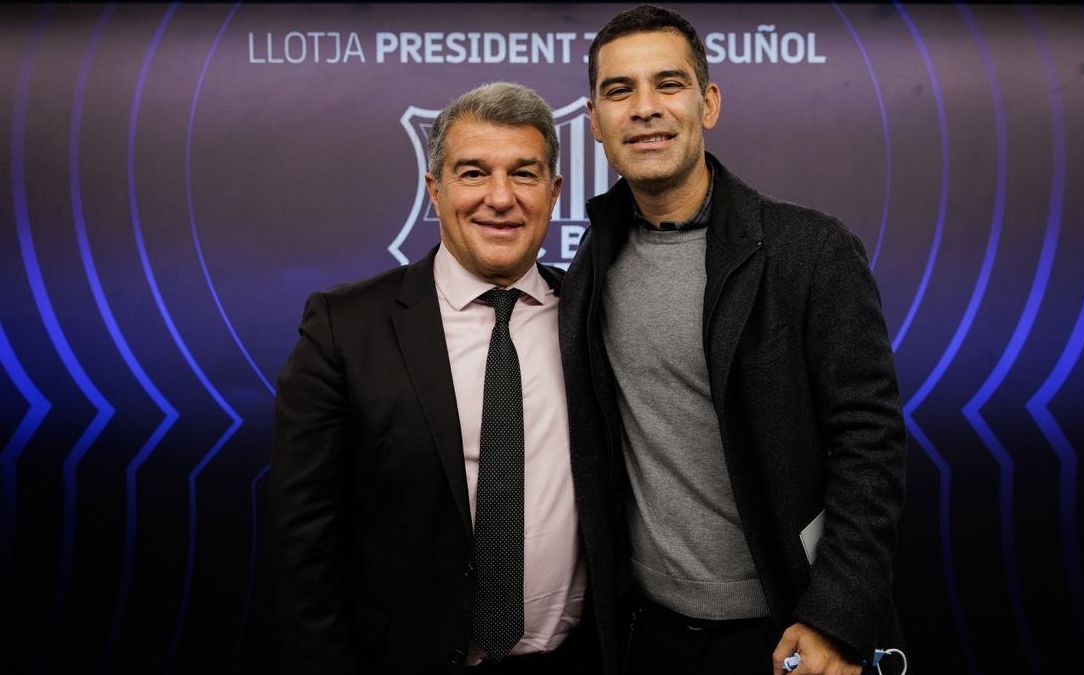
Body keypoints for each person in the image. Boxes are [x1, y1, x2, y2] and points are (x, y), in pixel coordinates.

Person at [559, 6, 907, 675]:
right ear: (595, 121)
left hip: (788, 634)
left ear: (708, 103)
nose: (645, 108)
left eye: (669, 83)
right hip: (649, 637)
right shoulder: (592, 263)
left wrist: (833, 616)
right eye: (619, 90)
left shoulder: (810, 250)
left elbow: (870, 443)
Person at [272, 82, 594, 675]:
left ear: (553, 193)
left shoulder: (597, 318)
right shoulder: (345, 328)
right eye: (473, 173)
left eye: (524, 174)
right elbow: (302, 541)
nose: (501, 198)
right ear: (434, 190)